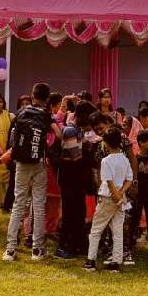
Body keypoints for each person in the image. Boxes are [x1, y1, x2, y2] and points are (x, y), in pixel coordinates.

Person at [2, 83, 54, 262]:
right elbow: (55, 135)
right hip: (39, 162)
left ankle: (10, 250)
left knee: (18, 204)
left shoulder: (21, 113)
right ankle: (37, 250)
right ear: (47, 99)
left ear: (32, 96)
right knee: (38, 205)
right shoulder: (46, 115)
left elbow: (12, 140)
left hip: (21, 163)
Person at [83, 129, 133, 273]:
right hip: (120, 198)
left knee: (96, 229)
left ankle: (90, 260)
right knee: (117, 230)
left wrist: (115, 195)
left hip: (107, 197)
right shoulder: (124, 158)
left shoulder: (106, 160)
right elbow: (129, 179)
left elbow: (108, 181)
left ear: (106, 143)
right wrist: (121, 194)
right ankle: (116, 262)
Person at [52, 100, 95, 259]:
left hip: (77, 180)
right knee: (71, 213)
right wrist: (91, 155)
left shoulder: (77, 130)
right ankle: (67, 246)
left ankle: (78, 245)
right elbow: (76, 158)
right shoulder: (71, 131)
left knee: (79, 212)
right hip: (70, 179)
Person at [130, 129, 148, 257]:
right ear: (141, 142)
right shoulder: (135, 158)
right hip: (138, 193)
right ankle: (131, 243)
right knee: (135, 218)